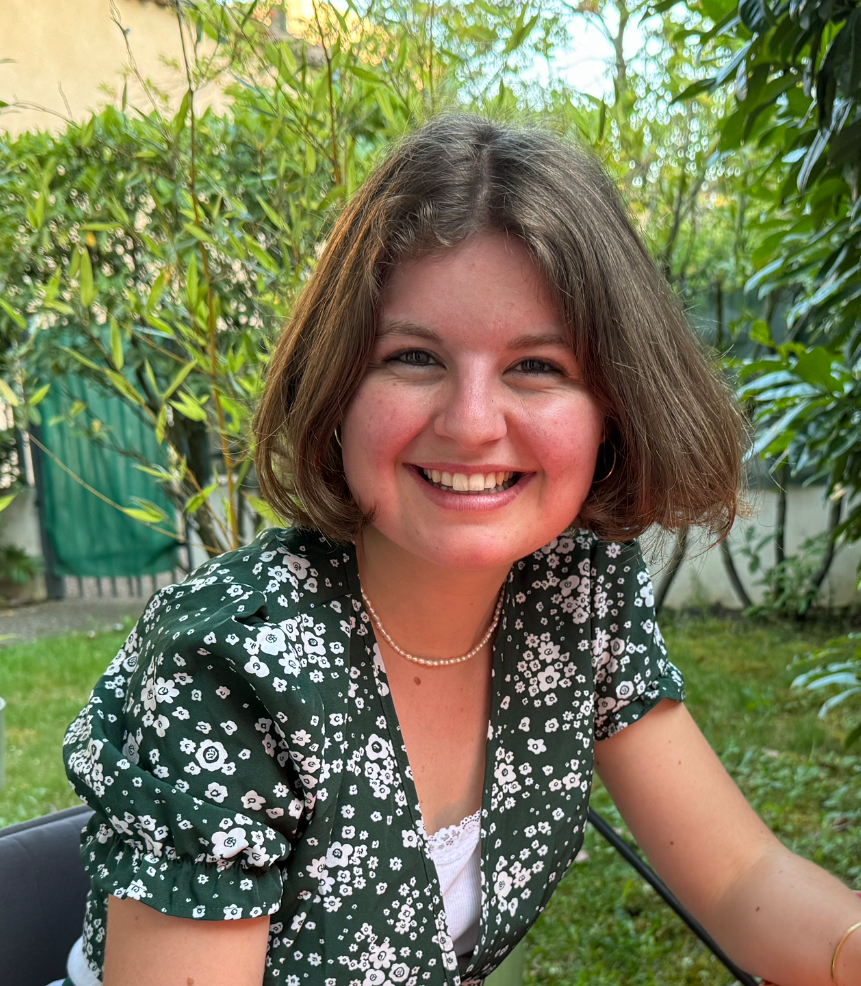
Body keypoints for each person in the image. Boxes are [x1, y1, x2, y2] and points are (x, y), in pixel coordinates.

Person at [62, 115, 861, 986]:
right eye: (413, 357)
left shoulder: (576, 587)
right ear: (337, 386)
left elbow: (742, 878)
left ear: (614, 408)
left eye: (537, 366)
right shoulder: (231, 657)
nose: (472, 423)